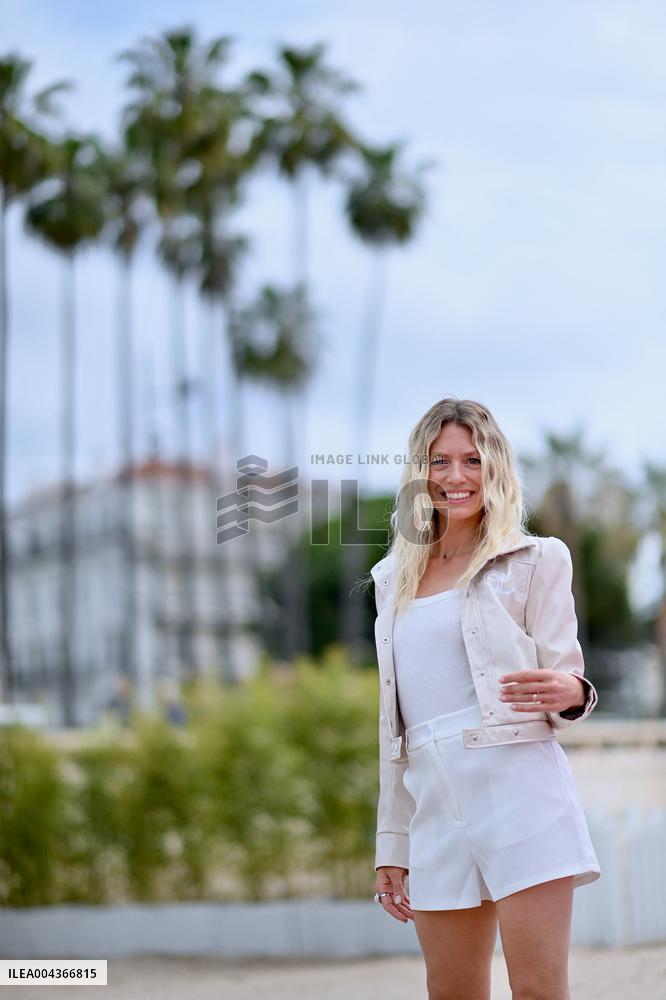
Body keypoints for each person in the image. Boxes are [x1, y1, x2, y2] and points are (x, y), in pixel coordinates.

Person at [369, 397, 601, 1000]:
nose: (456, 477)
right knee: (450, 993)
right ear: (420, 472)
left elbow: (568, 682)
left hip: (521, 795)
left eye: (472, 460)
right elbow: (393, 728)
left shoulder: (537, 559)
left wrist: (573, 692)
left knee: (538, 990)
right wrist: (392, 842)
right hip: (435, 811)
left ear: (495, 468)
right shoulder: (390, 580)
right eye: (439, 461)